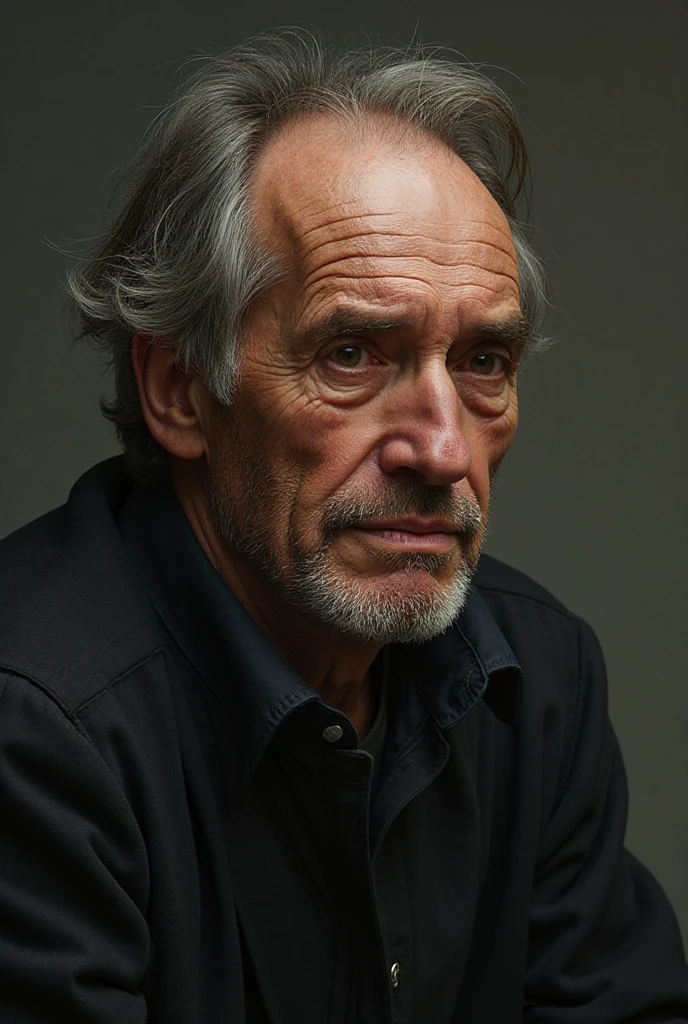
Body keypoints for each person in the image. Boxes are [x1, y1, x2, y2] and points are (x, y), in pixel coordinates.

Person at [1, 30, 686, 1024]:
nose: (443, 450)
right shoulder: (33, 726)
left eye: (484, 361)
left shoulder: (537, 680)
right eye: (355, 353)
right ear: (181, 389)